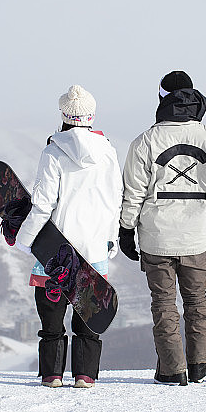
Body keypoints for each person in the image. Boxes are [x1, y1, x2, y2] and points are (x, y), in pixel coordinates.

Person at [119, 71, 206, 385]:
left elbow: (133, 192)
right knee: (196, 300)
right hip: (197, 237)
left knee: (163, 303)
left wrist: (125, 229)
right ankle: (200, 363)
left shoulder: (145, 141)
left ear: (161, 98)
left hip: (156, 237)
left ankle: (172, 369)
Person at [14, 84, 122, 389]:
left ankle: (52, 375)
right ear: (92, 116)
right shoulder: (108, 152)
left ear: (63, 114)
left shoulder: (52, 152)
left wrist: (25, 240)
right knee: (90, 311)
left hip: (54, 247)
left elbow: (43, 203)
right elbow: (116, 198)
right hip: (94, 246)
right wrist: (110, 238)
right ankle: (85, 375)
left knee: (51, 315)